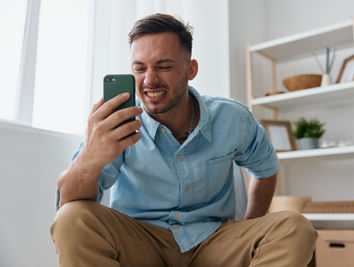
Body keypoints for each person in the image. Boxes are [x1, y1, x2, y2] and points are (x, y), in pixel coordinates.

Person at [50, 13, 317, 267]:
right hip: (140, 240)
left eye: (163, 66)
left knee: (295, 227)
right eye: (139, 68)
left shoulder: (232, 118)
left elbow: (265, 169)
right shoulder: (115, 125)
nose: (149, 80)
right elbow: (69, 203)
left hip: (212, 240)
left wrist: (249, 222)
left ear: (191, 69)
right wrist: (89, 158)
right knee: (72, 218)